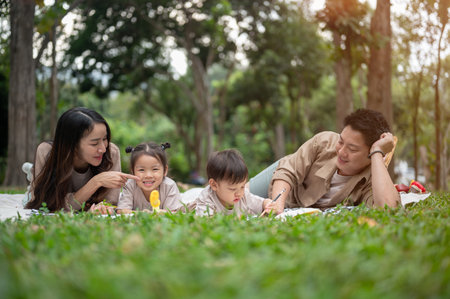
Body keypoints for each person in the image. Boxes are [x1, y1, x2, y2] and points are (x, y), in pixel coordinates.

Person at [251, 108, 400, 214]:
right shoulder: (324, 142)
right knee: (234, 198)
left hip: (302, 210)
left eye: (352, 149)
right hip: (282, 184)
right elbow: (287, 172)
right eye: (341, 141)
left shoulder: (372, 178)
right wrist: (277, 203)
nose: (341, 152)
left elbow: (388, 209)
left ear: (370, 153)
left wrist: (378, 151)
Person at [26, 107, 139, 213]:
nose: (103, 149)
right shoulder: (47, 152)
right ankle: (31, 171)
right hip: (49, 174)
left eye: (105, 139)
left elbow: (111, 202)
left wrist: (102, 208)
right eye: (94, 143)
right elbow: (46, 205)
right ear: (72, 144)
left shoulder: (111, 152)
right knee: (30, 192)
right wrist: (96, 182)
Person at [195, 149, 277, 217]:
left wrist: (267, 204)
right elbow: (205, 221)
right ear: (214, 185)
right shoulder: (207, 198)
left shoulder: (244, 195)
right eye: (232, 189)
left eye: (242, 186)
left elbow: (260, 203)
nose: (239, 193)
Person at [116, 142, 184, 214]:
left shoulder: (169, 186)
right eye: (141, 170)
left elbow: (172, 212)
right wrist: (144, 214)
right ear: (133, 171)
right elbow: (121, 211)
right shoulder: (130, 185)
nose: (148, 175)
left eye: (155, 169)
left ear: (165, 170)